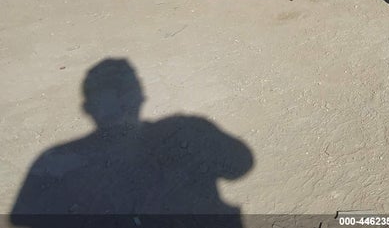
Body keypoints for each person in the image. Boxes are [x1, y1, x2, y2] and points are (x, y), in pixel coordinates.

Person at [10, 58, 253, 227]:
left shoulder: (51, 159)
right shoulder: (180, 129)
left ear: (87, 108)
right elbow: (241, 164)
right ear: (141, 97)